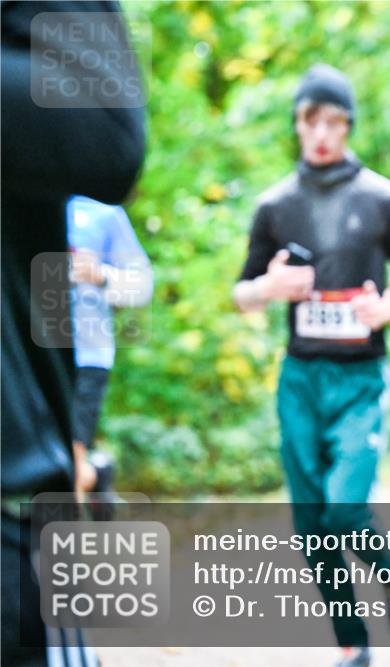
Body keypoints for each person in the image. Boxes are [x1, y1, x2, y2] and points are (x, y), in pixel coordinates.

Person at [233, 64, 390, 667]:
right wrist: (269, 286)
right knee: (312, 525)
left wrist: (387, 306)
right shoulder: (274, 205)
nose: (321, 133)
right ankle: (352, 643)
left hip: (360, 377)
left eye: (333, 120)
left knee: (344, 508)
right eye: (310, 119)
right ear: (297, 123)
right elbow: (241, 294)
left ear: (348, 126)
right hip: (300, 378)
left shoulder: (385, 198)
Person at [2, 2, 146, 665]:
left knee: (77, 467)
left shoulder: (93, 203)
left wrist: (98, 280)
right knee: (84, 468)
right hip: (58, 342)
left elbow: (136, 285)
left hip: (88, 353)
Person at [67, 196, 153, 495]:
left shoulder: (101, 211)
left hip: (86, 354)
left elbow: (143, 286)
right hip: (21, 357)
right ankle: (97, 468)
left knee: (69, 461)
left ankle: (62, 537)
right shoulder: (17, 199)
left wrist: (101, 275)